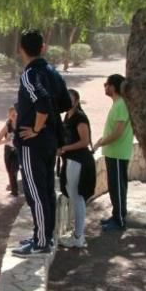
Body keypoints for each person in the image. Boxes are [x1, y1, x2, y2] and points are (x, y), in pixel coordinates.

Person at [13, 29, 70, 257]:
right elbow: (65, 102)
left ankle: (41, 241)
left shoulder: (29, 75)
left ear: (20, 50)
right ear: (43, 47)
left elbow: (43, 103)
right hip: (50, 142)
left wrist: (36, 128)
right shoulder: (52, 71)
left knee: (35, 193)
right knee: (45, 190)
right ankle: (44, 235)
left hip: (32, 143)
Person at [93, 74, 133, 231]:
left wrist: (100, 142)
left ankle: (120, 221)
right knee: (115, 186)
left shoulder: (121, 105)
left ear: (113, 87)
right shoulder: (117, 104)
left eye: (106, 84)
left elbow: (117, 133)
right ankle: (117, 215)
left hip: (118, 153)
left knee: (118, 187)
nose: (105, 87)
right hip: (114, 153)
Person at [58, 89, 96, 248]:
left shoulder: (80, 117)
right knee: (73, 195)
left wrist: (65, 148)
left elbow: (85, 141)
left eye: (70, 98)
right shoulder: (68, 115)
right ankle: (77, 234)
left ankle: (78, 237)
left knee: (77, 198)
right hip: (70, 160)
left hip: (78, 161)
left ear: (77, 100)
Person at [0, 106, 20, 196]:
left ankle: (16, 192)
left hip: (18, 151)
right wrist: (6, 140)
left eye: (16, 114)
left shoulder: (22, 125)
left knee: (14, 170)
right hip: (8, 150)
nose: (15, 116)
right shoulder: (7, 126)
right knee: (9, 171)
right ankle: (14, 191)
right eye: (12, 115)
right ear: (9, 116)